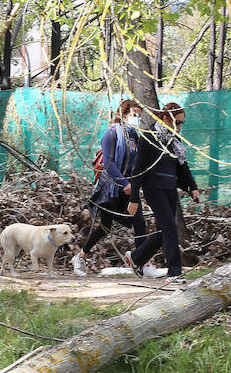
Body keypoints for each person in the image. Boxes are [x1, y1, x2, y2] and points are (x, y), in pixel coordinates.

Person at [71, 99, 150, 276]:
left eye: (139, 115)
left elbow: (137, 163)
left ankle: (141, 264)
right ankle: (81, 257)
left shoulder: (134, 137)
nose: (137, 118)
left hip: (129, 188)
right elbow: (108, 164)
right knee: (106, 227)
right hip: (112, 188)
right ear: (124, 115)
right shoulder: (111, 134)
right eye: (134, 114)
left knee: (139, 223)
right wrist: (124, 183)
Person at [127, 102, 200, 282]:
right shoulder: (149, 138)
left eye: (183, 123)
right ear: (166, 118)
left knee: (164, 230)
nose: (180, 126)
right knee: (169, 227)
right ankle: (175, 272)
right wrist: (134, 198)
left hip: (170, 188)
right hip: (154, 188)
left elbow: (183, 166)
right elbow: (138, 170)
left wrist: (193, 188)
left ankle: (136, 257)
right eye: (178, 122)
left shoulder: (175, 141)